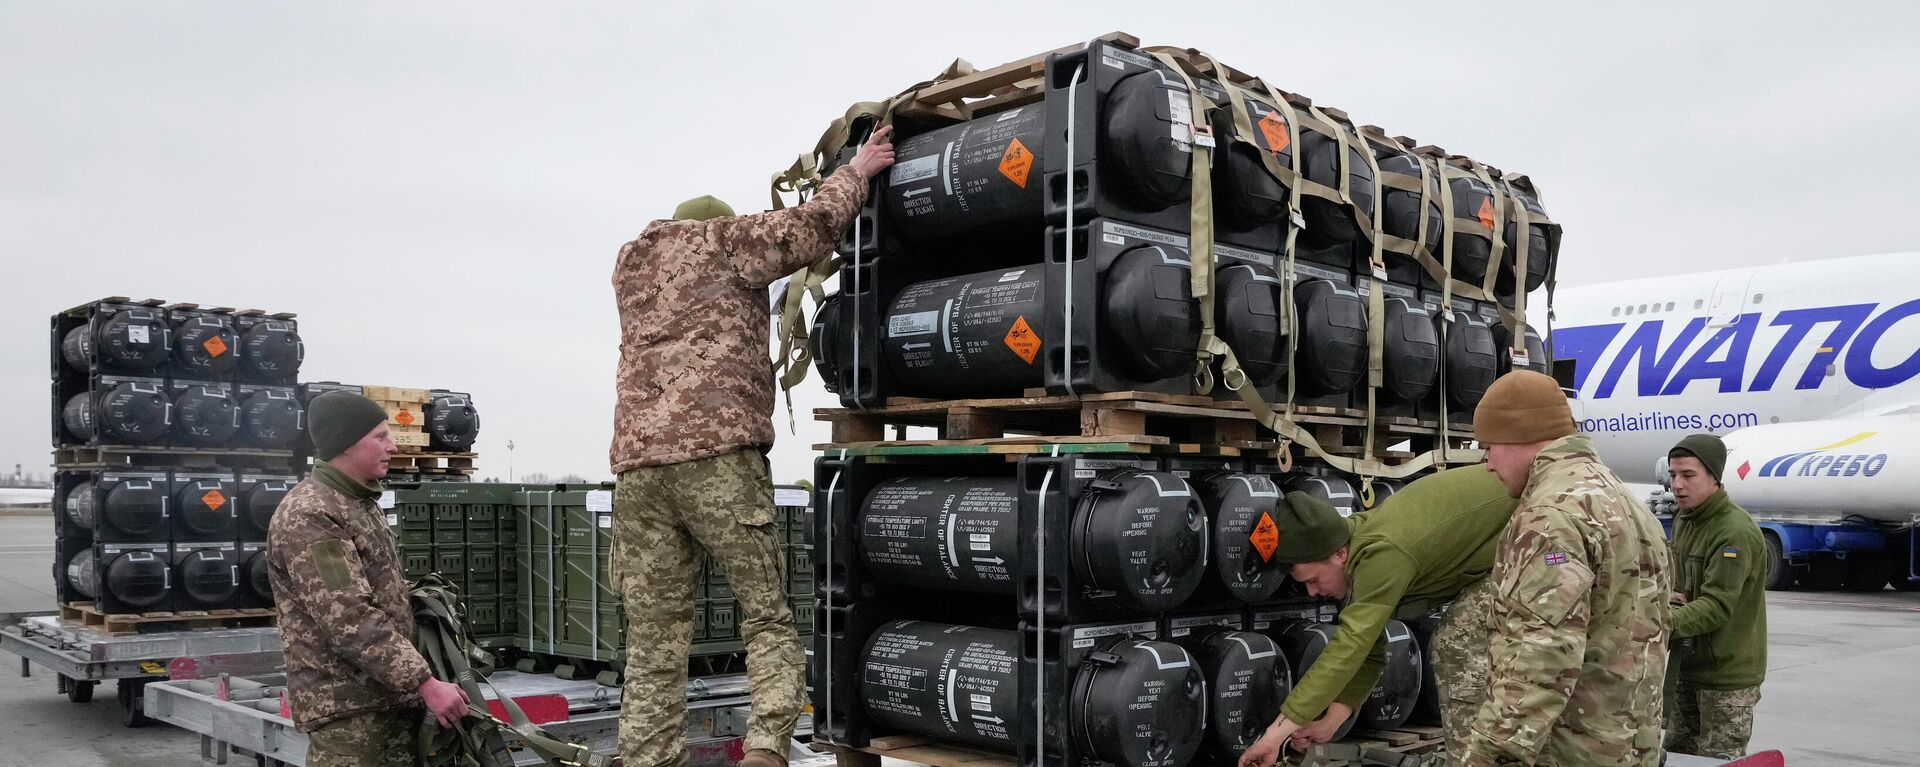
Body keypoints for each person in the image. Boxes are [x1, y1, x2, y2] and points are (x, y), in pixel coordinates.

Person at [608, 125, 896, 767]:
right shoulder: (723, 241)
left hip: (637, 471)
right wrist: (859, 172)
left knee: (654, 639)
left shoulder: (631, 265)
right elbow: (808, 227)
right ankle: (766, 748)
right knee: (765, 613)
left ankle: (646, 758)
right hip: (716, 458)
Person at [1457, 370, 1672, 767]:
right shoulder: (1624, 500)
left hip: (1568, 751)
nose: (1487, 464)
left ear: (1517, 435)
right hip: (1629, 747)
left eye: (1487, 447)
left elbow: (1539, 657)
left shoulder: (1549, 517)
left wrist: (1486, 755)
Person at [1236, 467, 1516, 767]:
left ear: (1338, 554)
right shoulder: (1355, 549)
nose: (1313, 592)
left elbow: (1349, 648)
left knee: (1456, 644)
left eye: (1314, 579)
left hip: (1536, 520)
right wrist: (1333, 720)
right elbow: (1368, 652)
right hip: (1506, 542)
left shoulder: (1382, 554)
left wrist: (1274, 736)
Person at [268, 391, 469, 766]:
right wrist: (424, 682)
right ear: (345, 443)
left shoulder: (358, 503)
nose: (392, 446)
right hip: (349, 711)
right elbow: (349, 617)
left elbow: (378, 593)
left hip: (386, 699)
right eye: (380, 436)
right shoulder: (311, 515)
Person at [1663, 434, 1768, 758]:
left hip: (1726, 677)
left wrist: (1658, 621)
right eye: (1673, 475)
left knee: (1718, 760)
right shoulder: (1685, 520)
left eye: (1688, 475)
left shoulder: (1733, 531)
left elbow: (1717, 605)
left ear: (1714, 476)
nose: (1677, 485)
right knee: (1678, 756)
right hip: (1688, 666)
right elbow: (1680, 588)